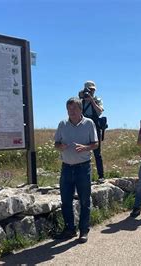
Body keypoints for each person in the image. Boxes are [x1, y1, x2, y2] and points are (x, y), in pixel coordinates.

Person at [53, 97, 99, 243]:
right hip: (66, 167)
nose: (71, 111)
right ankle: (69, 229)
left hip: (83, 168)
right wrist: (59, 146)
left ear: (80, 110)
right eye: (69, 108)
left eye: (74, 108)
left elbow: (96, 144)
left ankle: (83, 230)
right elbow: (56, 143)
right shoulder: (62, 124)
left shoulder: (89, 123)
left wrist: (86, 147)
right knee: (66, 200)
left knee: (84, 200)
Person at [78, 80, 105, 183]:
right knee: (82, 151)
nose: (91, 92)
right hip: (83, 127)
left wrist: (92, 101)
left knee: (97, 152)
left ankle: (101, 175)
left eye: (93, 90)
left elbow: (99, 112)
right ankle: (83, 175)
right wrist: (80, 97)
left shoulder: (97, 100)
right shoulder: (80, 101)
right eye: (90, 90)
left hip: (95, 127)